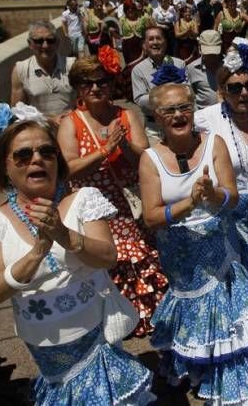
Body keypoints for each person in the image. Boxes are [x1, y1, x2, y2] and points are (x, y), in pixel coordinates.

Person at [0, 106, 153, 405]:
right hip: (47, 355)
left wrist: (65, 236)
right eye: (23, 155)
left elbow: (107, 257)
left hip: (96, 341)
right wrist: (38, 251)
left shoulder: (83, 200)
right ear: (5, 166)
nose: (37, 159)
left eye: (47, 151)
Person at [138, 83, 248, 404]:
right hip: (180, 254)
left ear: (192, 110)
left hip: (219, 247)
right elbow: (150, 217)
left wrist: (212, 194)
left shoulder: (213, 143)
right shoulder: (150, 159)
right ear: (157, 117)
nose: (178, 115)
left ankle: (232, 380)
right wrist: (189, 204)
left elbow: (230, 198)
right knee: (192, 310)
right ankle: (197, 367)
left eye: (184, 107)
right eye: (169, 110)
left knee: (225, 313)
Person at [58, 55, 167, 337]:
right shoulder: (70, 123)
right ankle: (111, 319)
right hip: (93, 210)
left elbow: (144, 158)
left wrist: (124, 144)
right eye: (87, 84)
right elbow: (68, 169)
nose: (95, 89)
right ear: (78, 88)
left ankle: (142, 316)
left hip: (128, 205)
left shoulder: (126, 116)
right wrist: (106, 149)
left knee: (139, 259)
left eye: (101, 82)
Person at [194, 44, 248, 287]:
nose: (244, 92)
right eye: (235, 88)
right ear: (222, 90)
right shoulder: (206, 119)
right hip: (230, 214)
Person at [131, 27, 189, 141]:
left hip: (180, 123)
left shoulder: (179, 64)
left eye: (159, 38)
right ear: (144, 45)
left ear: (165, 42)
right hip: (155, 129)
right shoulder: (138, 70)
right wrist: (164, 94)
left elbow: (188, 92)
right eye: (151, 39)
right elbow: (140, 100)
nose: (155, 42)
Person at [10, 20, 76, 121]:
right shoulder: (21, 70)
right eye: (39, 41)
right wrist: (50, 120)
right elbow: (17, 112)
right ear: (30, 44)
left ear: (57, 43)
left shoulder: (71, 65)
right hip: (40, 132)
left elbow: (85, 101)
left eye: (50, 41)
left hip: (71, 126)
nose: (45, 46)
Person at [185, 29, 221, 110]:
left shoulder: (228, 66)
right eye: (208, 53)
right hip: (202, 116)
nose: (211, 56)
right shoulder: (192, 68)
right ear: (199, 48)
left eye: (214, 53)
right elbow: (190, 96)